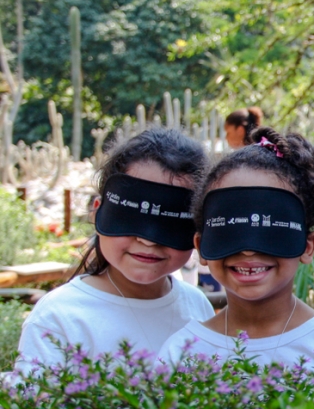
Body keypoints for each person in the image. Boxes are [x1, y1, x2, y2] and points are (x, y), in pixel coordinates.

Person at [15, 129, 214, 374]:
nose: (147, 240)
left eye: (171, 221)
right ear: (97, 211)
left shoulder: (197, 305)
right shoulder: (57, 317)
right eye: (130, 216)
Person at [160, 128, 314, 367]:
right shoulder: (180, 353)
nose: (248, 250)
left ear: (307, 246)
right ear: (201, 246)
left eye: (270, 227)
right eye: (230, 227)